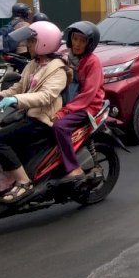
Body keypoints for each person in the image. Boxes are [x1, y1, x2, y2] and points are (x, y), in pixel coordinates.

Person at [0, 21, 70, 203]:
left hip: (43, 120)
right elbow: (18, 87)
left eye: (32, 41)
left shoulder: (58, 69)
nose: (27, 45)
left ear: (45, 42)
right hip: (29, 115)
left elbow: (46, 96)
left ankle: (24, 182)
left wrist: (16, 100)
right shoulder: (34, 64)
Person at [53, 21, 105, 180]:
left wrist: (65, 111)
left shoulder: (92, 62)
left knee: (60, 126)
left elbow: (88, 94)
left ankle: (74, 168)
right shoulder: (68, 57)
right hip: (70, 101)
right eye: (75, 39)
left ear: (89, 44)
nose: (77, 44)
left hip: (87, 106)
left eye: (82, 41)